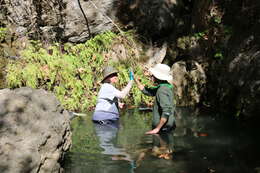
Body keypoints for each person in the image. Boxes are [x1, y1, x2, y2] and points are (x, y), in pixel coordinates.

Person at [134, 63, 176, 134]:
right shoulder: (165, 86)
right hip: (166, 127)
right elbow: (148, 91)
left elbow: (166, 110)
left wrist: (157, 129)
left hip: (163, 129)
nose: (151, 76)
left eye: (152, 75)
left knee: (162, 145)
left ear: (157, 77)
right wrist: (135, 80)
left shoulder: (162, 90)